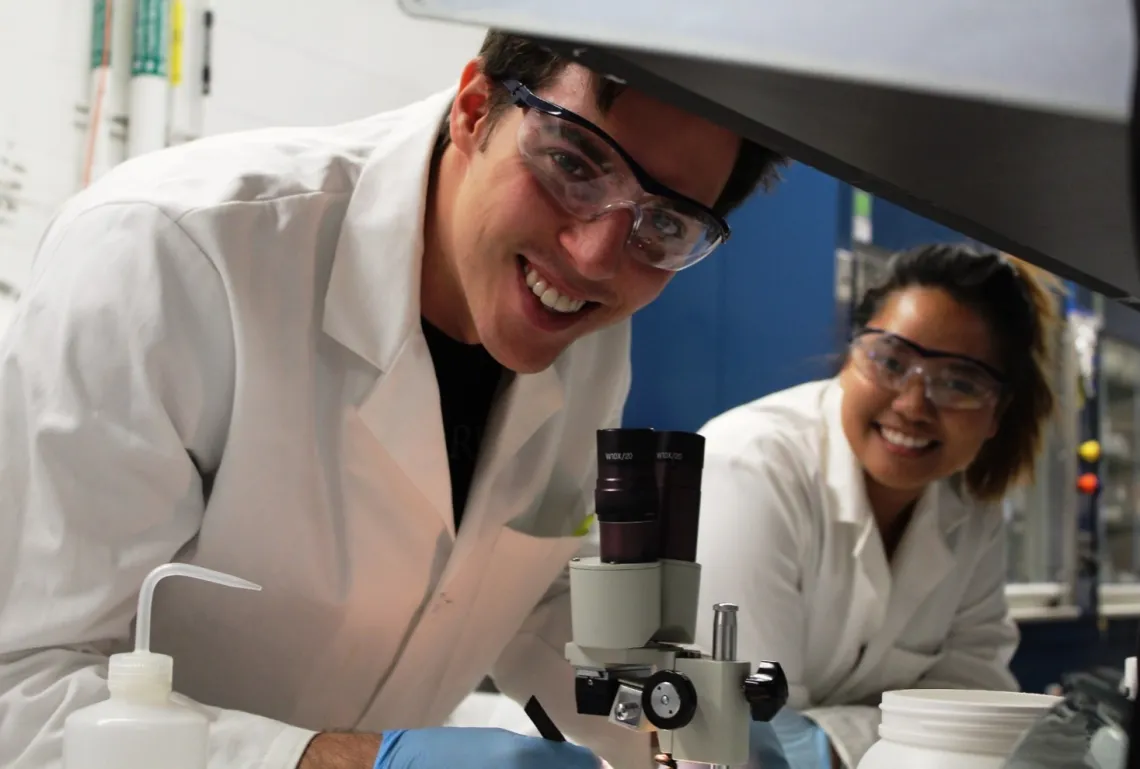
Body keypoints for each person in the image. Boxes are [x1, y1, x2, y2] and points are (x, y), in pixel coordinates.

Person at [0, 29, 785, 769]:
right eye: (574, 165)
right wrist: (349, 760)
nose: (594, 255)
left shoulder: (586, 330)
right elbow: (22, 690)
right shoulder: (173, 255)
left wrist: (682, 718)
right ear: (475, 109)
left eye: (665, 223)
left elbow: (537, 595)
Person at [692, 244, 1060, 768]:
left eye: (958, 382)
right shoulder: (750, 466)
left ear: (996, 412)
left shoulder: (970, 505)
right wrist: (909, 735)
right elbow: (750, 736)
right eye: (890, 361)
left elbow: (976, 703)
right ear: (850, 356)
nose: (912, 406)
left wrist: (832, 741)